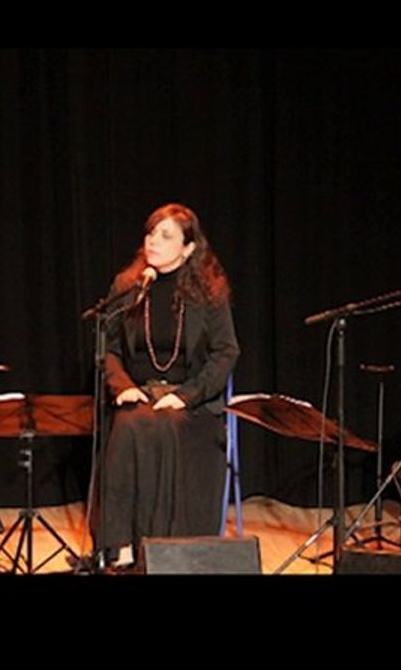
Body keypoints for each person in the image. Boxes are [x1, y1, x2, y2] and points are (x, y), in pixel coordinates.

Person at [99, 203, 239, 565]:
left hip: (189, 400)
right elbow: (108, 350)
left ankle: (163, 547)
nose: (153, 241)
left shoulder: (209, 292)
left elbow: (226, 352)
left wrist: (186, 395)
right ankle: (121, 546)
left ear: (189, 248)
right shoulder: (129, 286)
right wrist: (122, 385)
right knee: (130, 424)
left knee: (166, 425)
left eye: (165, 236)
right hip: (141, 390)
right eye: (150, 233)